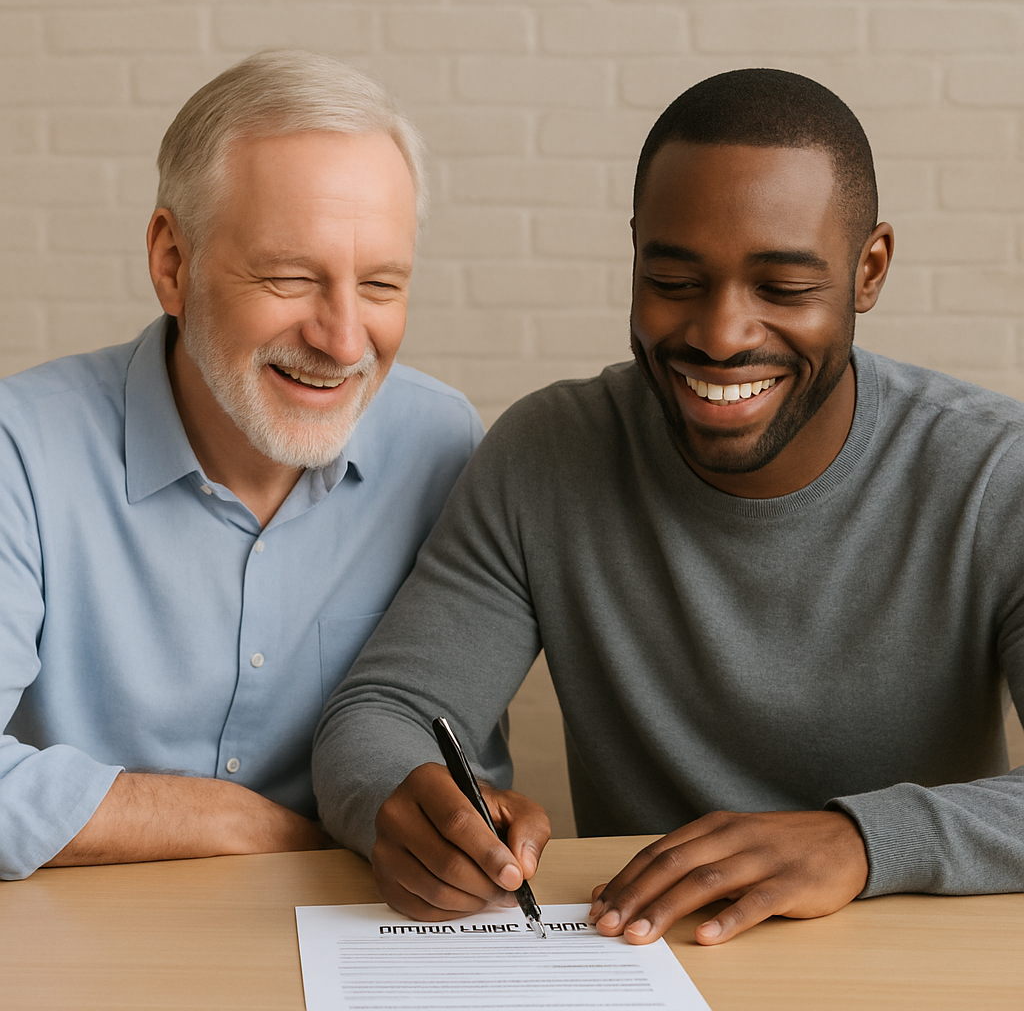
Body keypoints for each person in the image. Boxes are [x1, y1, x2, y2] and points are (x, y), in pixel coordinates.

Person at [312, 69, 1024, 946]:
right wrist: (409, 803)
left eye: (783, 288)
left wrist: (860, 842)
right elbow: (382, 713)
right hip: (649, 960)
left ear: (867, 270)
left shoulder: (994, 471)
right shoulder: (549, 454)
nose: (721, 335)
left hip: (922, 965)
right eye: (675, 280)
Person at [0, 51, 483, 881]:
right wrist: (231, 821)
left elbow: (452, 760)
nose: (343, 340)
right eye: (290, 277)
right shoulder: (21, 447)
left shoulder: (442, 445)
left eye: (379, 285)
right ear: (172, 264)